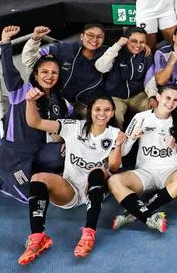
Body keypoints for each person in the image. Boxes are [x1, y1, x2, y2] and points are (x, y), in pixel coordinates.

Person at [18, 93, 125, 264]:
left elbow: (113, 167)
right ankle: (37, 237)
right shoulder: (73, 127)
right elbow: (35, 122)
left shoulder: (115, 134)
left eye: (107, 110)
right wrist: (30, 101)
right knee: (38, 178)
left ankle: (89, 233)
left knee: (97, 171)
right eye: (97, 109)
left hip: (95, 186)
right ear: (90, 111)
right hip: (69, 189)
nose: (102, 113)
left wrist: (118, 146)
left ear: (112, 113)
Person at [0, 26, 70, 203]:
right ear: (35, 75)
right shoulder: (20, 91)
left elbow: (70, 123)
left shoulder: (59, 101)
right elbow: (8, 70)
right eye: (44, 72)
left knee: (66, 153)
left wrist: (69, 141)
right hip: (14, 157)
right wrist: (5, 43)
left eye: (54, 73)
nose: (49, 76)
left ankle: (42, 172)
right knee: (32, 197)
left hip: (39, 151)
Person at [108, 86, 177, 232]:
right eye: (168, 98)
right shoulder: (141, 118)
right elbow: (122, 153)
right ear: (158, 97)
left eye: (175, 100)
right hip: (145, 172)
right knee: (114, 181)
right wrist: (131, 138)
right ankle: (148, 216)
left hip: (170, 171)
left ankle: (136, 213)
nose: (171, 103)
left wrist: (175, 145)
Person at [22, 24, 107, 117]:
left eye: (99, 37)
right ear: (82, 36)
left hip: (84, 103)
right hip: (55, 99)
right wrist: (35, 40)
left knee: (100, 117)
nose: (94, 40)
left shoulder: (107, 56)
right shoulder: (63, 49)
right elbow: (30, 60)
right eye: (90, 35)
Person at [94, 27, 152, 126]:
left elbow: (150, 79)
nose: (138, 45)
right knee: (115, 117)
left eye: (142, 42)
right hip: (116, 96)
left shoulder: (146, 55)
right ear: (126, 40)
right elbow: (100, 67)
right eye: (134, 41)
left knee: (154, 110)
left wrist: (152, 96)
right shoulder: (116, 52)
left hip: (137, 95)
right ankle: (118, 140)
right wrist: (117, 45)